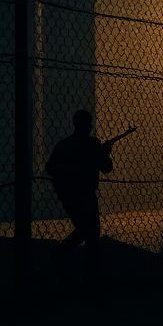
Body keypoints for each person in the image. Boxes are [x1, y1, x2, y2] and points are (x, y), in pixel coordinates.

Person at [45, 110, 117, 272]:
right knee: (90, 233)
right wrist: (104, 153)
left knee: (85, 230)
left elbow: (50, 168)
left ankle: (63, 260)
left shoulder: (63, 145)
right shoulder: (93, 144)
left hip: (67, 195)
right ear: (86, 125)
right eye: (89, 123)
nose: (91, 126)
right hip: (85, 195)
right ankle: (65, 260)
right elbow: (107, 167)